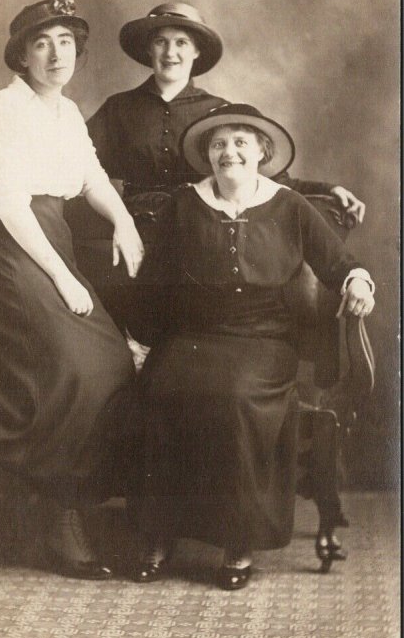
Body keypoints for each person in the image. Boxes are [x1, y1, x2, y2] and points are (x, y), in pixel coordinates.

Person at [126, 103, 374, 590]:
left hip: (264, 340)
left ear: (262, 151)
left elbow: (339, 261)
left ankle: (238, 541)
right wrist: (139, 341)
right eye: (218, 144)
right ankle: (160, 533)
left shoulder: (290, 205)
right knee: (161, 388)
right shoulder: (185, 203)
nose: (229, 152)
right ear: (207, 157)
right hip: (194, 337)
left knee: (237, 396)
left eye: (241, 141)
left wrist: (358, 283)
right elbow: (155, 281)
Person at [0, 0, 144, 580]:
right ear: (22, 56)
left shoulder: (66, 112)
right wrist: (61, 275)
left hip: (49, 231)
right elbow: (9, 203)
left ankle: (63, 499)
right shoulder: (2, 109)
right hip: (9, 245)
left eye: (65, 43)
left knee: (109, 360)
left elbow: (90, 178)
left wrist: (123, 221)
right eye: (41, 43)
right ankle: (58, 518)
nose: (56, 54)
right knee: (75, 367)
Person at [80, 2, 365, 330]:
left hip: (197, 228)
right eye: (161, 42)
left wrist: (327, 190)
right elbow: (78, 164)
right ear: (148, 48)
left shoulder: (218, 113)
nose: (170, 52)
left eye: (182, 42)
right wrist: (119, 221)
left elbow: (267, 176)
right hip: (133, 222)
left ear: (197, 51)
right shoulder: (119, 108)